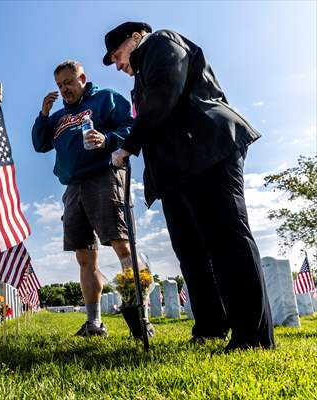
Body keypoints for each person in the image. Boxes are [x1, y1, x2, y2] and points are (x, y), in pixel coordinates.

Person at [103, 22, 275, 350]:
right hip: (176, 171)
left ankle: (252, 336)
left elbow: (165, 91)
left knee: (226, 240)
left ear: (135, 38)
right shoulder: (140, 77)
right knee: (191, 254)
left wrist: (128, 145)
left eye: (117, 55)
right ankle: (211, 326)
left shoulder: (161, 43)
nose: (118, 65)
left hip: (206, 152)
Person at [32, 60, 135, 337]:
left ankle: (140, 315)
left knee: (122, 246)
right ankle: (94, 322)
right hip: (73, 186)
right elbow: (40, 144)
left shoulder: (105, 99)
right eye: (59, 85)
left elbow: (131, 124)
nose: (64, 88)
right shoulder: (57, 118)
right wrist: (43, 114)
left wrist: (108, 138)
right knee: (84, 256)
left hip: (103, 176)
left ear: (82, 78)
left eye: (68, 81)